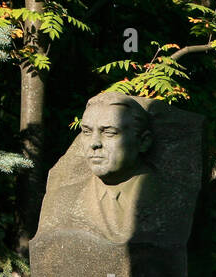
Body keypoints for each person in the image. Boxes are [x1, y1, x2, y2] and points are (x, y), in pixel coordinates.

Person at [37, 92, 163, 243]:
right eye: (87, 132)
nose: (94, 143)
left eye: (109, 132)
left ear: (143, 141)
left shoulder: (169, 198)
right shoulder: (61, 200)